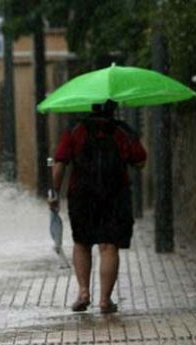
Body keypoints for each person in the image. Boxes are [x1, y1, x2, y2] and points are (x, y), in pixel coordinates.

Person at [48, 99, 147, 314]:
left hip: (81, 195)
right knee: (109, 246)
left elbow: (59, 164)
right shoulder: (122, 130)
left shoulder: (75, 130)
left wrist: (53, 193)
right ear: (114, 108)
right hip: (115, 195)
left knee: (82, 243)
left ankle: (83, 292)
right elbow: (140, 161)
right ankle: (104, 300)